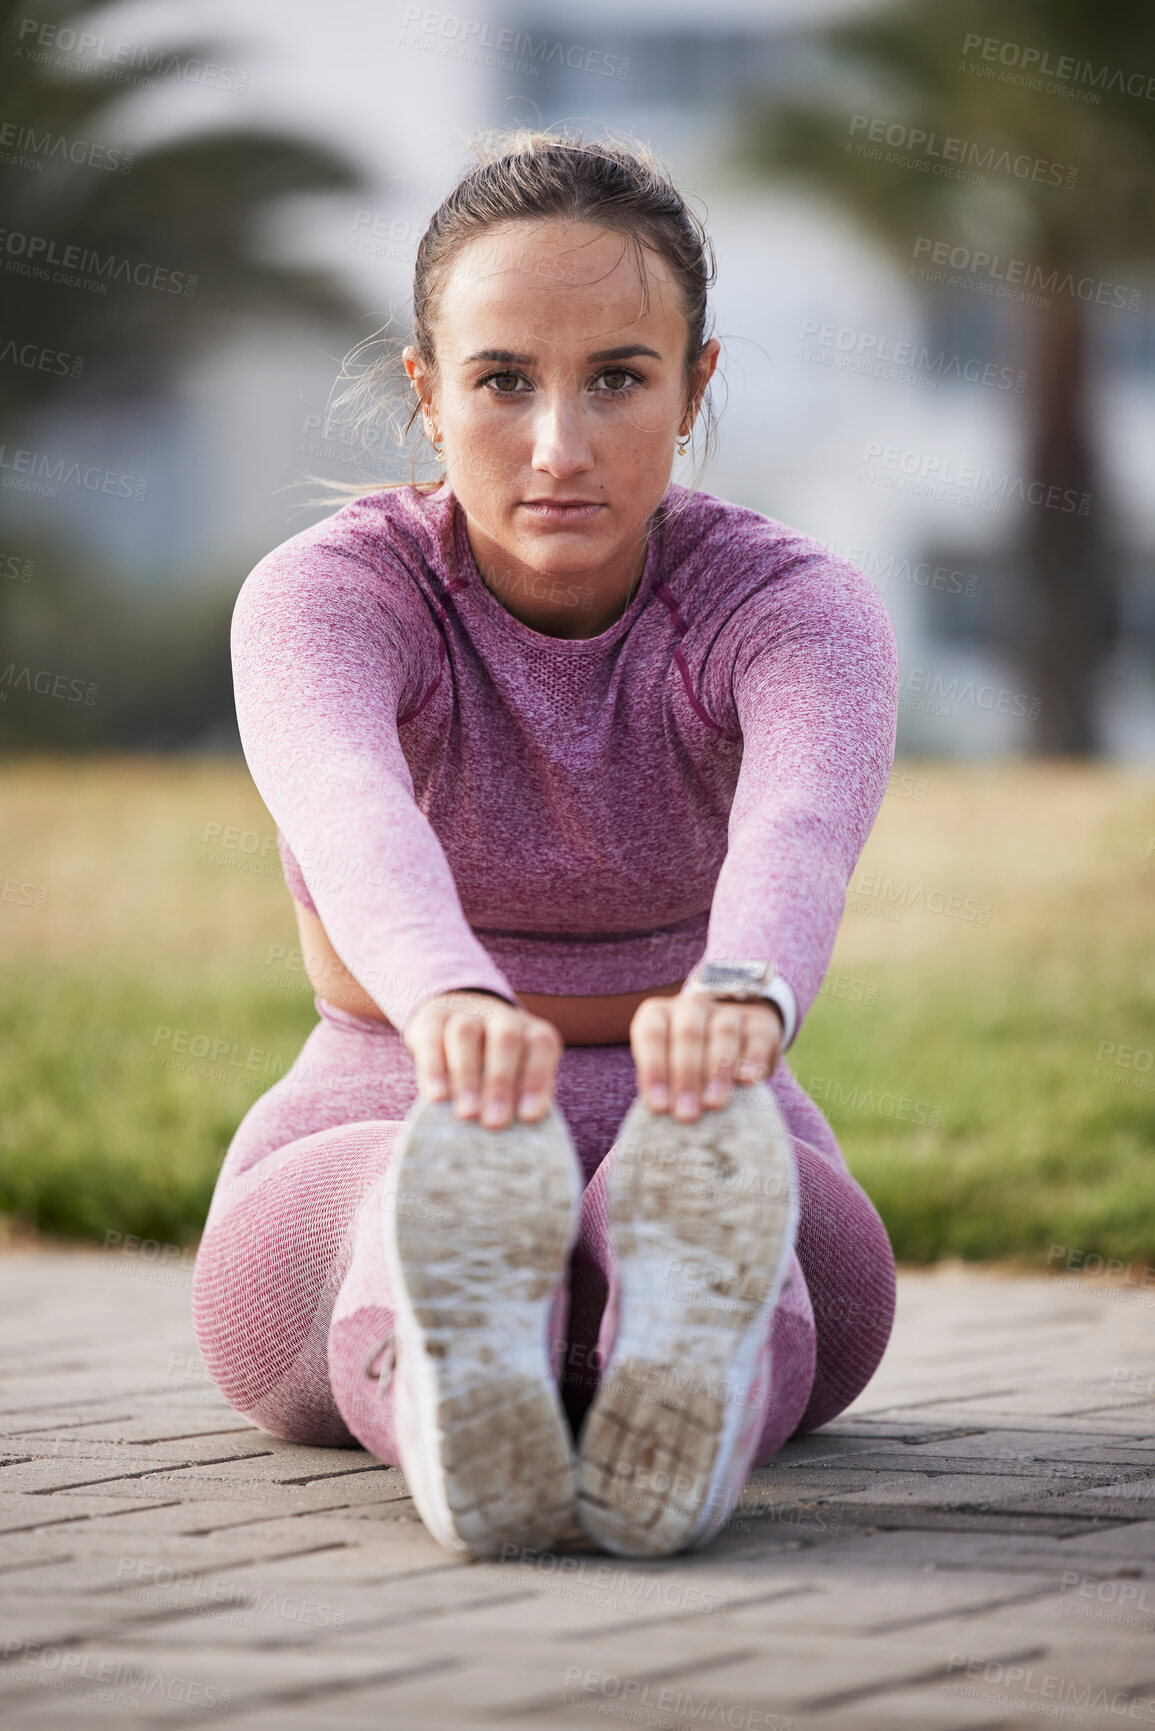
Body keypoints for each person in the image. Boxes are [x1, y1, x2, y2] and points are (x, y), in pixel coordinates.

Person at [191, 126, 899, 1563]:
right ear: (427, 392)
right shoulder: (325, 599)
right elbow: (348, 812)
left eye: (619, 380)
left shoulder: (797, 608)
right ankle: (451, 1340)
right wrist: (452, 999)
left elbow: (801, 831)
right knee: (301, 1283)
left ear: (697, 387)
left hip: (708, 1122)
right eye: (504, 380)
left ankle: (676, 1355)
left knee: (824, 1268)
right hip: (392, 1106)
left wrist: (746, 991)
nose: (558, 448)